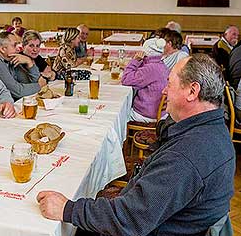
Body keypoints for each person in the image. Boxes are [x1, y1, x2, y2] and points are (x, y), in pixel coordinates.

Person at [37, 54, 235, 236]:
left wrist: (67, 209)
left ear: (192, 91)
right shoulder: (212, 128)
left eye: (170, 83)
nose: (164, 90)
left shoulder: (185, 157)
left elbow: (130, 219)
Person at [0, 31, 46, 100]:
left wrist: (29, 62)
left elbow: (28, 82)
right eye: (14, 45)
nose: (18, 49)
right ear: (3, 49)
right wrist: (40, 85)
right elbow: (18, 92)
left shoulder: (10, 59)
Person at [121, 37, 169, 122]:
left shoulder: (149, 69)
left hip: (148, 114)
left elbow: (125, 80)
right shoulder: (161, 65)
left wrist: (135, 60)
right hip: (161, 112)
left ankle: (124, 135)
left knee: (120, 113)